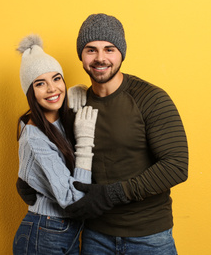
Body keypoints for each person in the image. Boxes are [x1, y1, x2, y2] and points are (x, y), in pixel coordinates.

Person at [19, 13, 189, 255]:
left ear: (121, 53)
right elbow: (53, 149)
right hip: (94, 235)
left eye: (109, 49)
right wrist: (29, 178)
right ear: (81, 55)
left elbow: (176, 166)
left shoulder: (150, 98)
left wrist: (112, 194)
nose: (100, 58)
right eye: (91, 49)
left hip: (148, 236)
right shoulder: (74, 104)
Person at [13, 34, 98, 255]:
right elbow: (73, 199)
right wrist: (85, 141)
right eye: (40, 83)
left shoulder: (60, 121)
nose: (52, 89)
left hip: (63, 231)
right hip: (44, 233)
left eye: (57, 79)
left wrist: (81, 94)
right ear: (31, 93)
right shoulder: (34, 136)